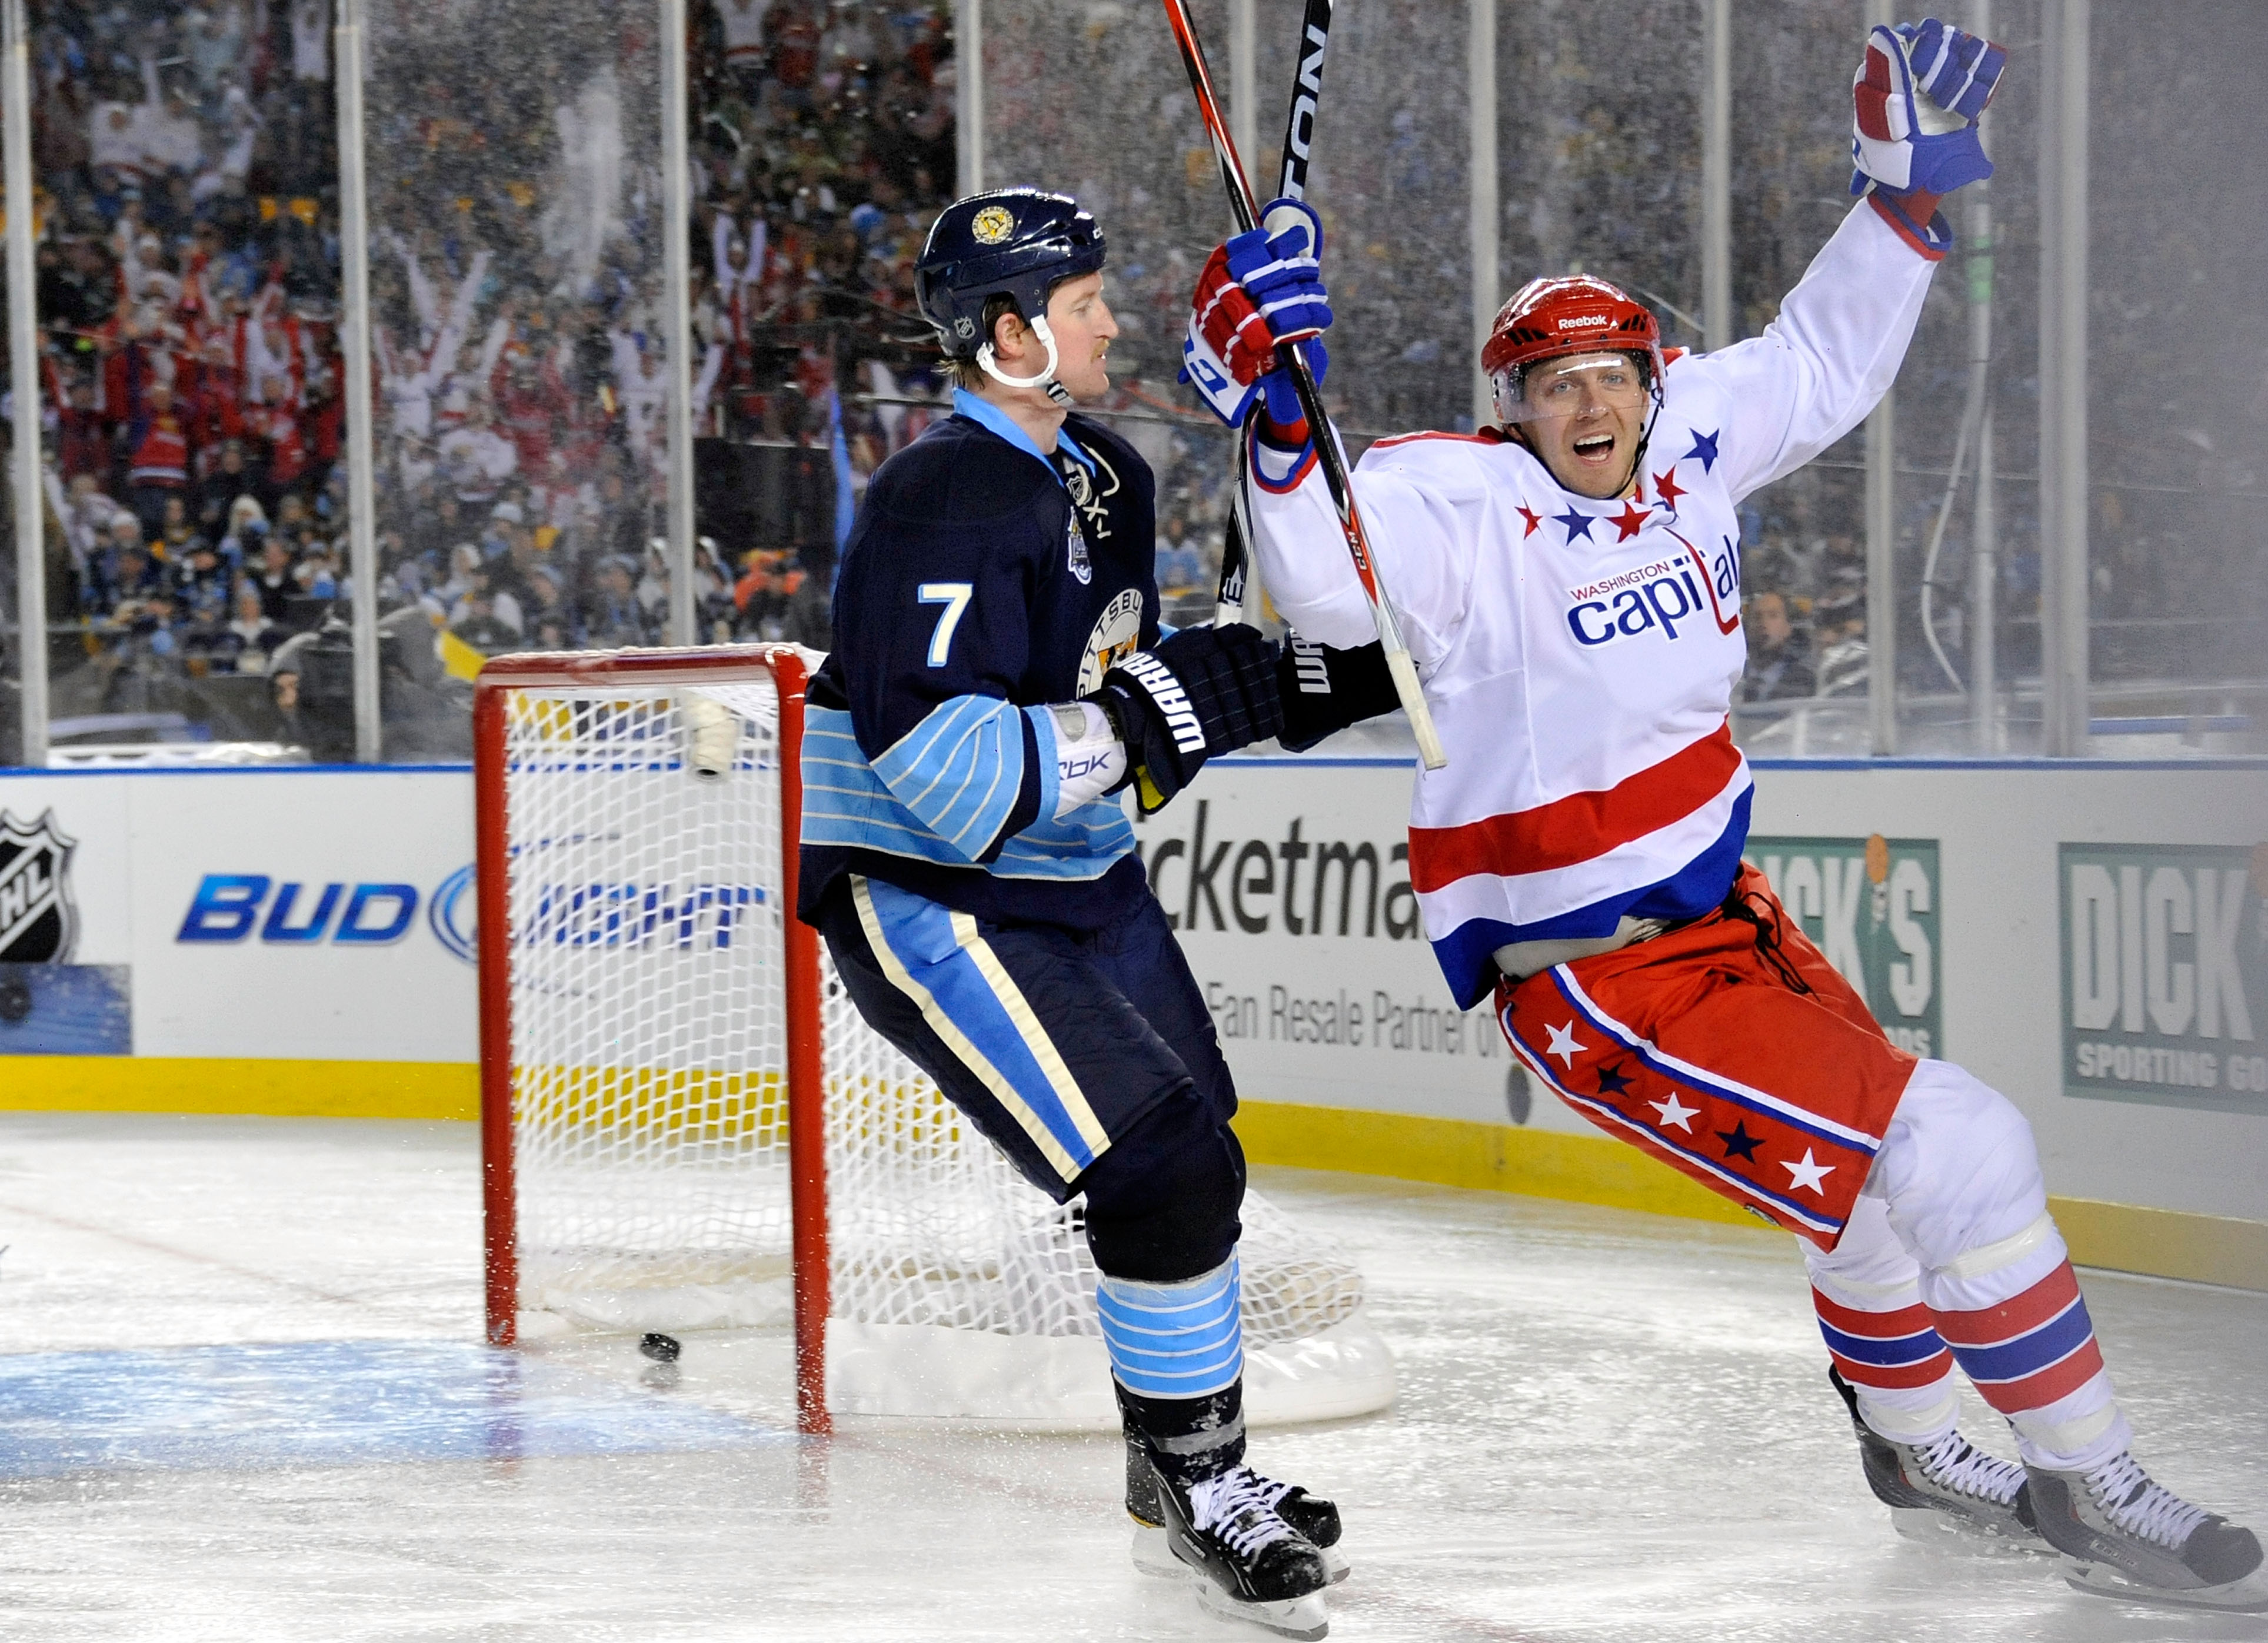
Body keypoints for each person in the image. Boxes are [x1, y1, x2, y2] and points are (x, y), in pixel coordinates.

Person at [1187, 18, 2264, 1614]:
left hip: (1723, 916)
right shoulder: (1452, 505)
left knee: (1876, 1192)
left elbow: (1822, 359)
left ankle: (1909, 1448)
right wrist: (1274, 422)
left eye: (1608, 374)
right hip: (1588, 974)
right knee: (1957, 1141)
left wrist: (1894, 202)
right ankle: (2088, 1475)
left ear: (1645, 377)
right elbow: (1325, 591)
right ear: (1514, 407)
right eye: (1551, 386)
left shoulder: (1691, 438)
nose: (1588, 405)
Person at [797, 188, 1366, 1641]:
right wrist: (1166, 709)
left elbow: (1130, 687)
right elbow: (952, 781)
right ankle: (1203, 1480)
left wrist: (1275, 681)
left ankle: (1165, 1454)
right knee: (1155, 1165)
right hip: (935, 895)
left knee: (1201, 1149)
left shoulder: (1103, 471)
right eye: (1082, 299)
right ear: (1005, 334)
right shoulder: (939, 499)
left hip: (1075, 877)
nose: (1111, 317)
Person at [1740, 590, 1816, 702]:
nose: (1763, 623)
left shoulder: (1806, 681)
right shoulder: (1728, 678)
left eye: (1773, 616)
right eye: (1757, 617)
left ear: (1787, 628)